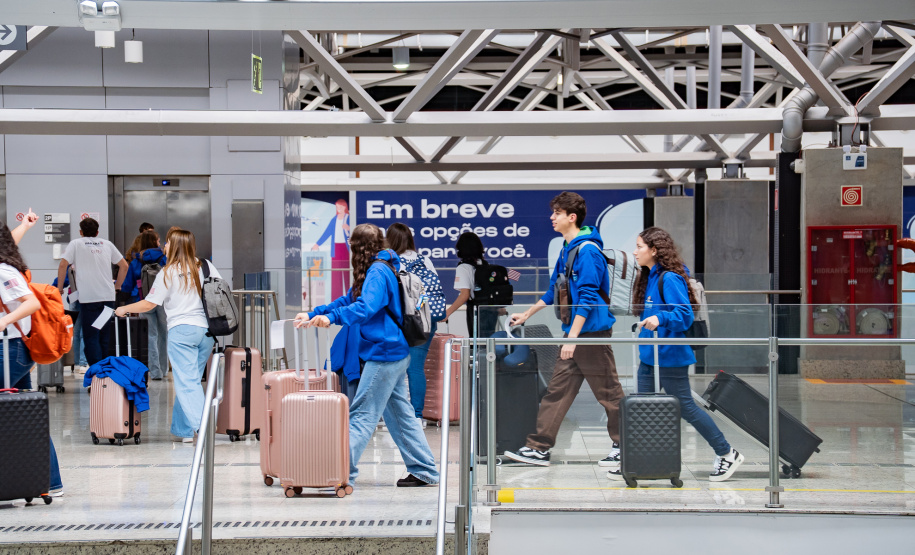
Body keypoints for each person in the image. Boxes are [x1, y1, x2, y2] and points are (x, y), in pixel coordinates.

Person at [295, 223, 439, 488]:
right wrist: (316, 313)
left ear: (356, 247)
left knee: (361, 415)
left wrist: (332, 318)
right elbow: (348, 300)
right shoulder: (381, 268)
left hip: (383, 354)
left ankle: (338, 473)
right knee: (401, 415)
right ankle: (424, 470)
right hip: (394, 352)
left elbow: (366, 307)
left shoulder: (377, 271)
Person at [608, 226, 744, 482]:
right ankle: (634, 460)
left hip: (669, 356)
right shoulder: (650, 276)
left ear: (654, 250)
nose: (635, 252)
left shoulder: (669, 278)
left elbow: (683, 316)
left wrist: (660, 317)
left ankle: (726, 452)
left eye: (639, 247)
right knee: (641, 409)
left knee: (686, 408)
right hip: (650, 357)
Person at [503, 191, 624, 467]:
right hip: (575, 334)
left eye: (557, 213)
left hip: (589, 336)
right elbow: (553, 291)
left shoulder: (589, 251)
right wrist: (527, 314)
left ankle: (627, 445)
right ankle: (539, 448)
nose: (551, 217)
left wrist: (573, 337)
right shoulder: (567, 249)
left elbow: (588, 297)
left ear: (572, 217)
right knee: (557, 392)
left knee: (609, 393)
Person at [114, 229, 217, 443]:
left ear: (176, 246)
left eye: (168, 243)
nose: (165, 247)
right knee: (191, 380)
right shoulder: (206, 266)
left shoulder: (168, 272)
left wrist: (124, 309)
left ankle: (203, 428)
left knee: (187, 383)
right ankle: (183, 430)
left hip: (182, 332)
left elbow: (150, 303)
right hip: (206, 332)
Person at [0, 209, 64, 497]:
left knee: (21, 414)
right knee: (28, 415)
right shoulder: (5, 262)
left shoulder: (2, 270)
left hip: (9, 351)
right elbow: (10, 241)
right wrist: (23, 226)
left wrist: (2, 321)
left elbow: (30, 304)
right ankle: (49, 482)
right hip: (16, 349)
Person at [386, 222, 441, 422]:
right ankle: (417, 416)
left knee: (391, 366)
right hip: (424, 320)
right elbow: (432, 293)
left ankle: (392, 414)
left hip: (398, 321)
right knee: (416, 367)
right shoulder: (424, 261)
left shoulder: (390, 262)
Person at [58, 218, 128, 368]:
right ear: (97, 232)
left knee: (91, 336)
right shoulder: (107, 244)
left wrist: (59, 288)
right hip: (108, 299)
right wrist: (118, 286)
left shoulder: (76, 244)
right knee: (104, 335)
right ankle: (105, 369)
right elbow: (124, 266)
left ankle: (96, 370)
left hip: (89, 299)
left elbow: (63, 264)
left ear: (80, 232)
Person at [121, 230, 168, 380]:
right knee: (164, 335)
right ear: (155, 242)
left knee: (150, 336)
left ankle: (154, 372)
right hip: (163, 301)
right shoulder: (164, 259)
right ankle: (164, 369)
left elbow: (127, 285)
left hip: (143, 300)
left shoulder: (136, 261)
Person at [443, 232, 498, 338]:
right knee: (490, 342)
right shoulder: (486, 265)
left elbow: (465, 294)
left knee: (477, 344)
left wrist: (448, 312)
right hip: (491, 310)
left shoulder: (463, 268)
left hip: (476, 309)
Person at [312, 199, 351, 300]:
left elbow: (356, 233)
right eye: (337, 207)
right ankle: (336, 299)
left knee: (348, 274)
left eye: (341, 207)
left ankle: (350, 297)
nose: (339, 209)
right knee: (336, 275)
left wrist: (348, 228)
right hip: (336, 248)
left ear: (345, 207)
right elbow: (327, 233)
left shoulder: (348, 218)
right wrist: (317, 244)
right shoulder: (334, 219)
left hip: (346, 248)